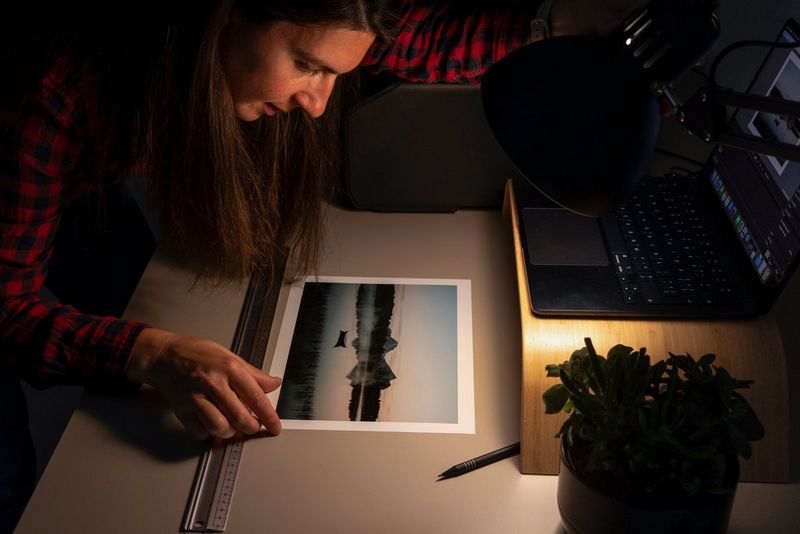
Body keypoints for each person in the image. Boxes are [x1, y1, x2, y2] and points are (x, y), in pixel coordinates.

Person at [1, 0, 647, 530]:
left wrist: (550, 27)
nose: (318, 103)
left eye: (338, 74)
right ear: (226, 16)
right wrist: (147, 352)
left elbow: (423, 41)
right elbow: (9, 314)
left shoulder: (315, 20)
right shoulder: (56, 88)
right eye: (308, 66)